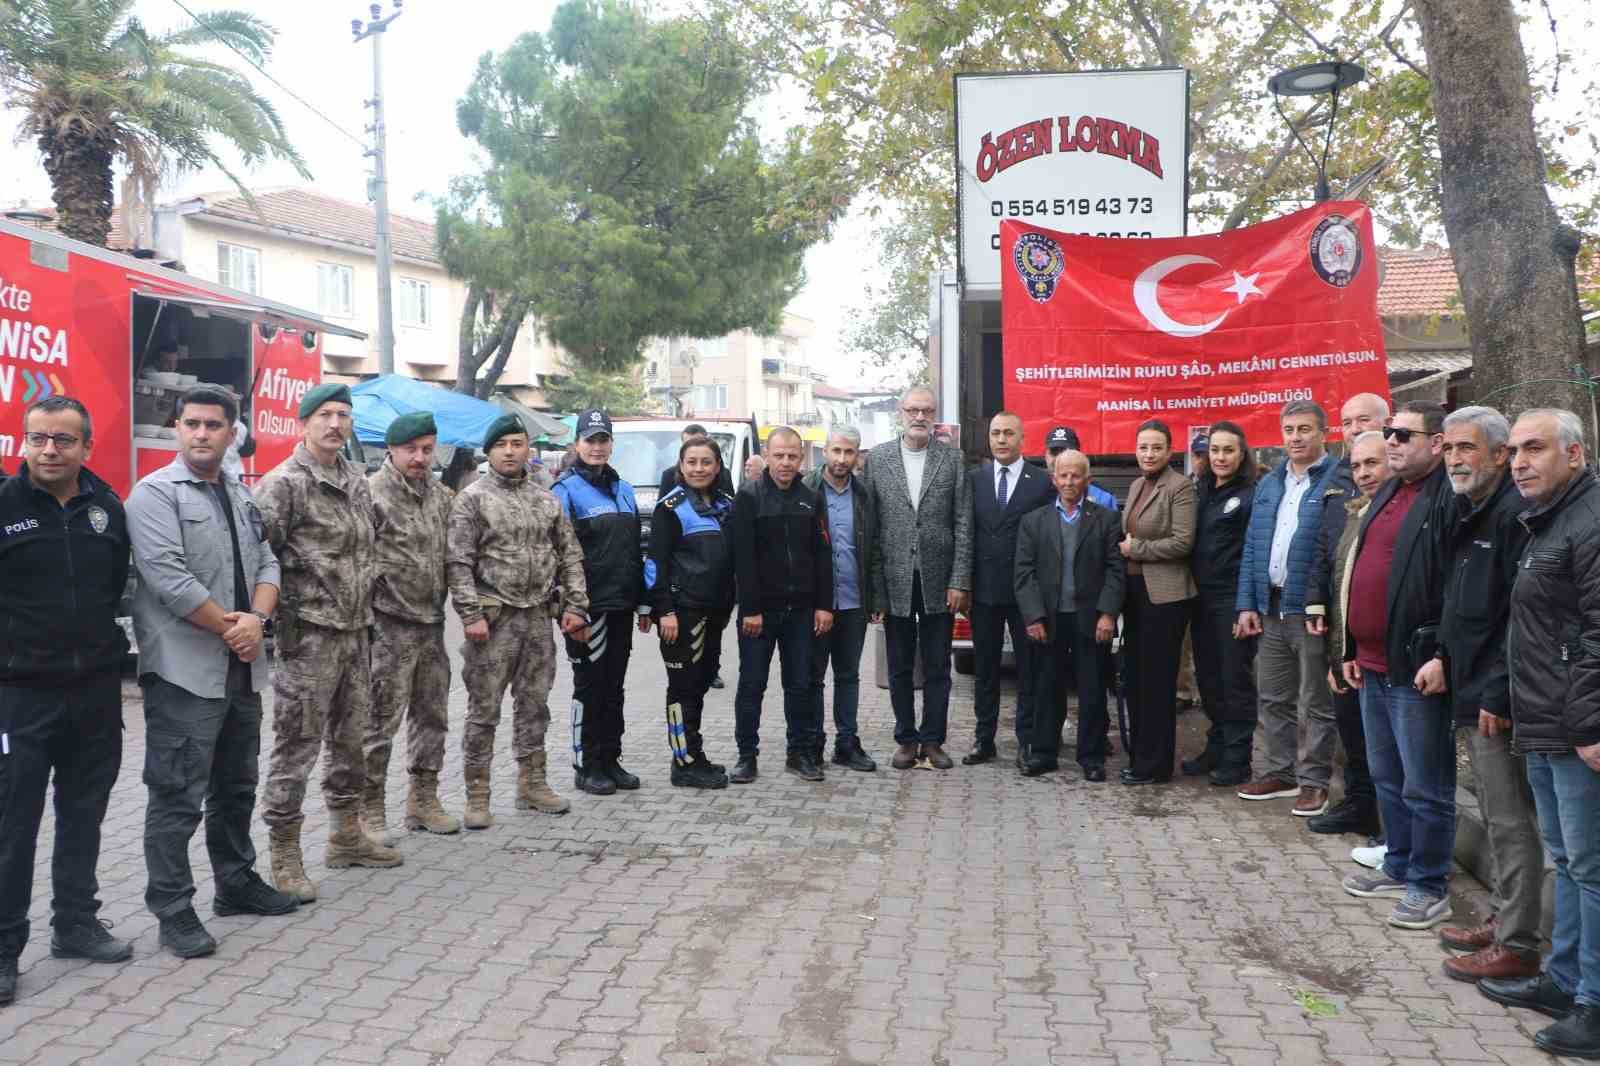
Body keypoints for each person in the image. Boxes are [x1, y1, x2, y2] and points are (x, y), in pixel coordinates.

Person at [127, 387, 297, 960]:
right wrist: (238, 627)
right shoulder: (153, 495)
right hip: (185, 673)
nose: (202, 434)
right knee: (177, 795)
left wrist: (259, 617)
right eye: (192, 424)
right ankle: (173, 910)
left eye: (214, 425)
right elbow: (169, 580)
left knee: (235, 786)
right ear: (177, 428)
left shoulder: (241, 495)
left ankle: (236, 883)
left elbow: (269, 561)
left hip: (241, 669)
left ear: (232, 433)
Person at [0, 397, 133, 1006]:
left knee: (84, 814)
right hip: (19, 696)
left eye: (62, 440)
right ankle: (4, 951)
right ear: (23, 443)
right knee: (12, 827)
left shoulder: (107, 508)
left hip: (95, 692)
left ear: (86, 447)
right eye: (37, 438)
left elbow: (116, 592)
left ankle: (75, 925)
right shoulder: (4, 507)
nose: (48, 449)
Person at [1479, 408, 1600, 1058]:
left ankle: (1595, 1006)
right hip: (1545, 725)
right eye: (1517, 449)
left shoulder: (1591, 520)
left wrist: (1590, 723)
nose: (1521, 460)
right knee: (1572, 864)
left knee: (1591, 867)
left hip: (1578, 732)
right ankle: (1565, 981)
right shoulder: (1547, 521)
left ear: (1575, 455)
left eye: (1536, 449)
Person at [255, 383, 395, 902]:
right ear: (304, 422)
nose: (336, 423)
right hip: (307, 639)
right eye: (325, 415)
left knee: (350, 742)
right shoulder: (284, 484)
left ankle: (345, 835)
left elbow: (371, 544)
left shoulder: (356, 478)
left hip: (356, 634)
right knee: (296, 748)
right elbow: (259, 556)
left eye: (343, 414)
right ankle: (285, 851)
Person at [1430, 407, 1540, 982]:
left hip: (1498, 698)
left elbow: (1512, 620)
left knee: (1509, 819)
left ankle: (1518, 940)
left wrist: (1494, 691)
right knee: (1500, 818)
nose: (1455, 460)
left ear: (1500, 454)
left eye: (1466, 448)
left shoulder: (1513, 516)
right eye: (1448, 449)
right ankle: (1505, 919)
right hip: (1471, 684)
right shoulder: (1469, 510)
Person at [1338, 401, 1456, 931]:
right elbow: (1355, 572)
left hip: (1414, 665)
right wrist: (1349, 648)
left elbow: (1456, 587)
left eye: (1404, 434)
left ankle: (1430, 884)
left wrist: (1441, 654)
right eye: (1390, 432)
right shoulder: (1386, 491)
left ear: (1437, 443)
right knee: (1388, 775)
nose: (1391, 441)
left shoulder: (1446, 498)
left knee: (1424, 782)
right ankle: (1400, 862)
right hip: (1372, 662)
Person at [448, 415, 590, 826]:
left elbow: (570, 554)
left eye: (517, 443)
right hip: (493, 623)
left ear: (528, 448)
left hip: (537, 621)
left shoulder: (546, 499)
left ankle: (532, 783)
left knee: (535, 706)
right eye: (502, 444)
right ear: (489, 452)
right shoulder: (472, 499)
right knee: (483, 711)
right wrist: (470, 613)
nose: (510, 451)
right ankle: (477, 795)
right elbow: (457, 562)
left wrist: (576, 605)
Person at [1235, 400, 1352, 815]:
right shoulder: (1270, 484)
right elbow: (1252, 547)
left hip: (1309, 610)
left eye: (1305, 429)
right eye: (1289, 430)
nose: (1296, 437)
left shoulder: (1339, 481)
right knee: (1272, 696)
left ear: (1324, 433)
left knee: (1315, 700)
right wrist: (1247, 603)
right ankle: (1280, 773)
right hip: (1270, 608)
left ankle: (1313, 780)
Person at [863, 386, 973, 770]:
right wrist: (875, 590)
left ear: (935, 413)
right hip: (894, 578)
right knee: (899, 664)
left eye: (927, 410)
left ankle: (933, 740)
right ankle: (906, 739)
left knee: (939, 664)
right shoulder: (877, 460)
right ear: (900, 412)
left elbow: (962, 522)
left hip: (938, 579)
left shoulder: (952, 459)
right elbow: (870, 528)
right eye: (913, 410)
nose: (920, 417)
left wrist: (959, 580)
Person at [363, 412, 459, 840]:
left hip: (431, 626)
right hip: (387, 628)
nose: (420, 458)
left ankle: (423, 799)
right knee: (378, 722)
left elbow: (457, 559)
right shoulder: (369, 495)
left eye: (426, 449)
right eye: (411, 450)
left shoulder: (442, 497)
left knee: (432, 716)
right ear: (392, 449)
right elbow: (357, 562)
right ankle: (369, 809)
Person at [1301, 393, 1392, 837]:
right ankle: (1358, 805)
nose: (1354, 428)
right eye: (1348, 422)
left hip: (1383, 638)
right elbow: (1323, 550)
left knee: (1383, 737)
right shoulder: (1337, 481)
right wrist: (1315, 603)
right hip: (1341, 627)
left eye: (1364, 421)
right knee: (1350, 724)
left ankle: (1385, 820)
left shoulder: (1404, 493)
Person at [730, 427, 834, 783]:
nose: (786, 462)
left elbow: (823, 555)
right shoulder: (748, 497)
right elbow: (742, 558)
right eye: (779, 455)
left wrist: (824, 605)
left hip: (803, 612)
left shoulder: (811, 498)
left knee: (800, 685)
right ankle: (746, 755)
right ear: (767, 455)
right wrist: (751, 609)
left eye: (792, 456)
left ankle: (799, 753)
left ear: (801, 458)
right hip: (760, 613)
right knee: (752, 684)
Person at [552, 409, 647, 796]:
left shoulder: (622, 488)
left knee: (615, 686)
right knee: (589, 686)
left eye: (603, 439)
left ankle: (610, 758)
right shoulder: (565, 491)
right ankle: (586, 763)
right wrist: (570, 608)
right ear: (577, 444)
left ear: (611, 443)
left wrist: (642, 602)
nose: (597, 446)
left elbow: (633, 551)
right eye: (590, 439)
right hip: (586, 610)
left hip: (621, 604)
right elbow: (557, 554)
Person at [1013, 450, 1124, 778]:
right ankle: (1044, 752)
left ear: (1087, 480)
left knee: (1092, 689)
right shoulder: (1034, 522)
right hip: (1048, 618)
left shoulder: (1106, 520)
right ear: (1054, 479)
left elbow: (1115, 571)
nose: (1069, 482)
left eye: (1076, 475)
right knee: (1047, 687)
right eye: (1063, 475)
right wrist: (1033, 617)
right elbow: (1023, 573)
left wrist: (1107, 614)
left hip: (1091, 619)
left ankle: (1091, 757)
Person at [964, 411, 1054, 766]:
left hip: (1026, 593)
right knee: (984, 669)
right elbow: (966, 533)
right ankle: (983, 739)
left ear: (1022, 439)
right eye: (996, 433)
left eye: (1008, 434)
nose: (1001, 440)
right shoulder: (974, 480)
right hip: (984, 592)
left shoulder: (1041, 482)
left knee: (1027, 669)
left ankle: (1026, 740)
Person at [648, 436, 736, 788]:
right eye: (692, 462)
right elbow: (656, 562)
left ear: (717, 467)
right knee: (682, 688)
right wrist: (663, 611)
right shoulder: (670, 508)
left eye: (706, 462)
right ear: (680, 467)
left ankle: (694, 754)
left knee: (699, 686)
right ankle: (682, 763)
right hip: (682, 613)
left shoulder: (727, 506)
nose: (699, 469)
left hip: (715, 612)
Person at [1117, 420, 1196, 784]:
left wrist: (1138, 549)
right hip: (1135, 596)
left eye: (1156, 448)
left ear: (1169, 451)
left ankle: (1156, 766)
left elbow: (1183, 542)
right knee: (1136, 679)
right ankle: (1140, 756)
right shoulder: (1136, 484)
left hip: (1165, 598)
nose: (1148, 454)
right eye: (1143, 447)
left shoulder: (1180, 487)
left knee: (1157, 683)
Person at [1181, 421, 1258, 786]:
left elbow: (1252, 554)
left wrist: (1246, 605)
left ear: (1241, 454)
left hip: (1232, 600)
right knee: (1208, 679)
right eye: (1215, 450)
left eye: (1228, 450)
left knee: (1234, 680)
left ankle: (1237, 757)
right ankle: (1217, 743)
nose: (1221, 457)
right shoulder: (1203, 491)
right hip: (1202, 600)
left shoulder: (1250, 495)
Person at [803, 427, 879, 772]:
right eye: (836, 451)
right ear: (824, 451)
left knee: (848, 675)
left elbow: (874, 549)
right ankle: (813, 743)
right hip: (815, 604)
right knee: (814, 677)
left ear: (857, 455)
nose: (842, 459)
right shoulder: (805, 488)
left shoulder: (864, 494)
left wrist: (876, 597)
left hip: (853, 602)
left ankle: (847, 743)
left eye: (849, 452)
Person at [1045, 425, 1118, 511]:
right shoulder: (1035, 491)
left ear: (1078, 455)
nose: (1058, 458)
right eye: (1053, 453)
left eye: (1064, 452)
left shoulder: (1102, 496)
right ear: (1045, 455)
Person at [660, 423, 735, 497]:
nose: (699, 469)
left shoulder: (724, 474)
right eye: (688, 444)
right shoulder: (669, 475)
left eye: (699, 442)